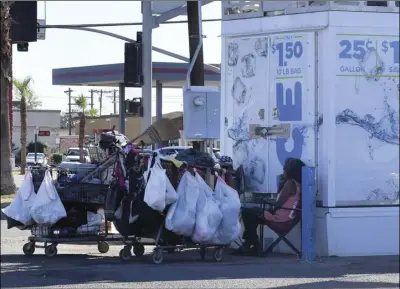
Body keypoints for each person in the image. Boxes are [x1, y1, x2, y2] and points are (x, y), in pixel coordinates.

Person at [233, 158, 305, 256]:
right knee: (253, 214)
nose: (283, 171)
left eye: (284, 169)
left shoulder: (290, 183)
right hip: (288, 218)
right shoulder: (299, 185)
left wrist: (280, 185)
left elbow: (278, 203)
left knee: (247, 213)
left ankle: (253, 245)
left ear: (289, 171)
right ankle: (249, 244)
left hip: (281, 219)